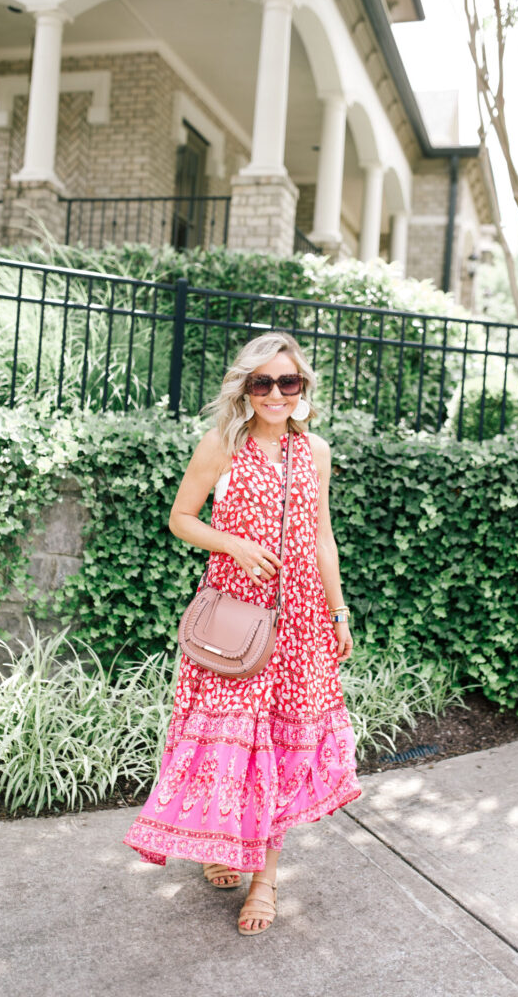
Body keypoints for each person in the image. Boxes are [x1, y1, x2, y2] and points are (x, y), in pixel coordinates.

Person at [122, 331, 361, 935]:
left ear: (302, 388)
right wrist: (232, 542)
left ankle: (265, 881)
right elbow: (181, 518)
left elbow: (321, 538)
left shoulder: (317, 453)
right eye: (263, 382)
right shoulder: (221, 444)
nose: (276, 393)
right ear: (246, 388)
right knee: (228, 744)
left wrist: (338, 612)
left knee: (278, 746)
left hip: (300, 621)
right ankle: (223, 845)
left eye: (289, 382)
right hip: (234, 616)